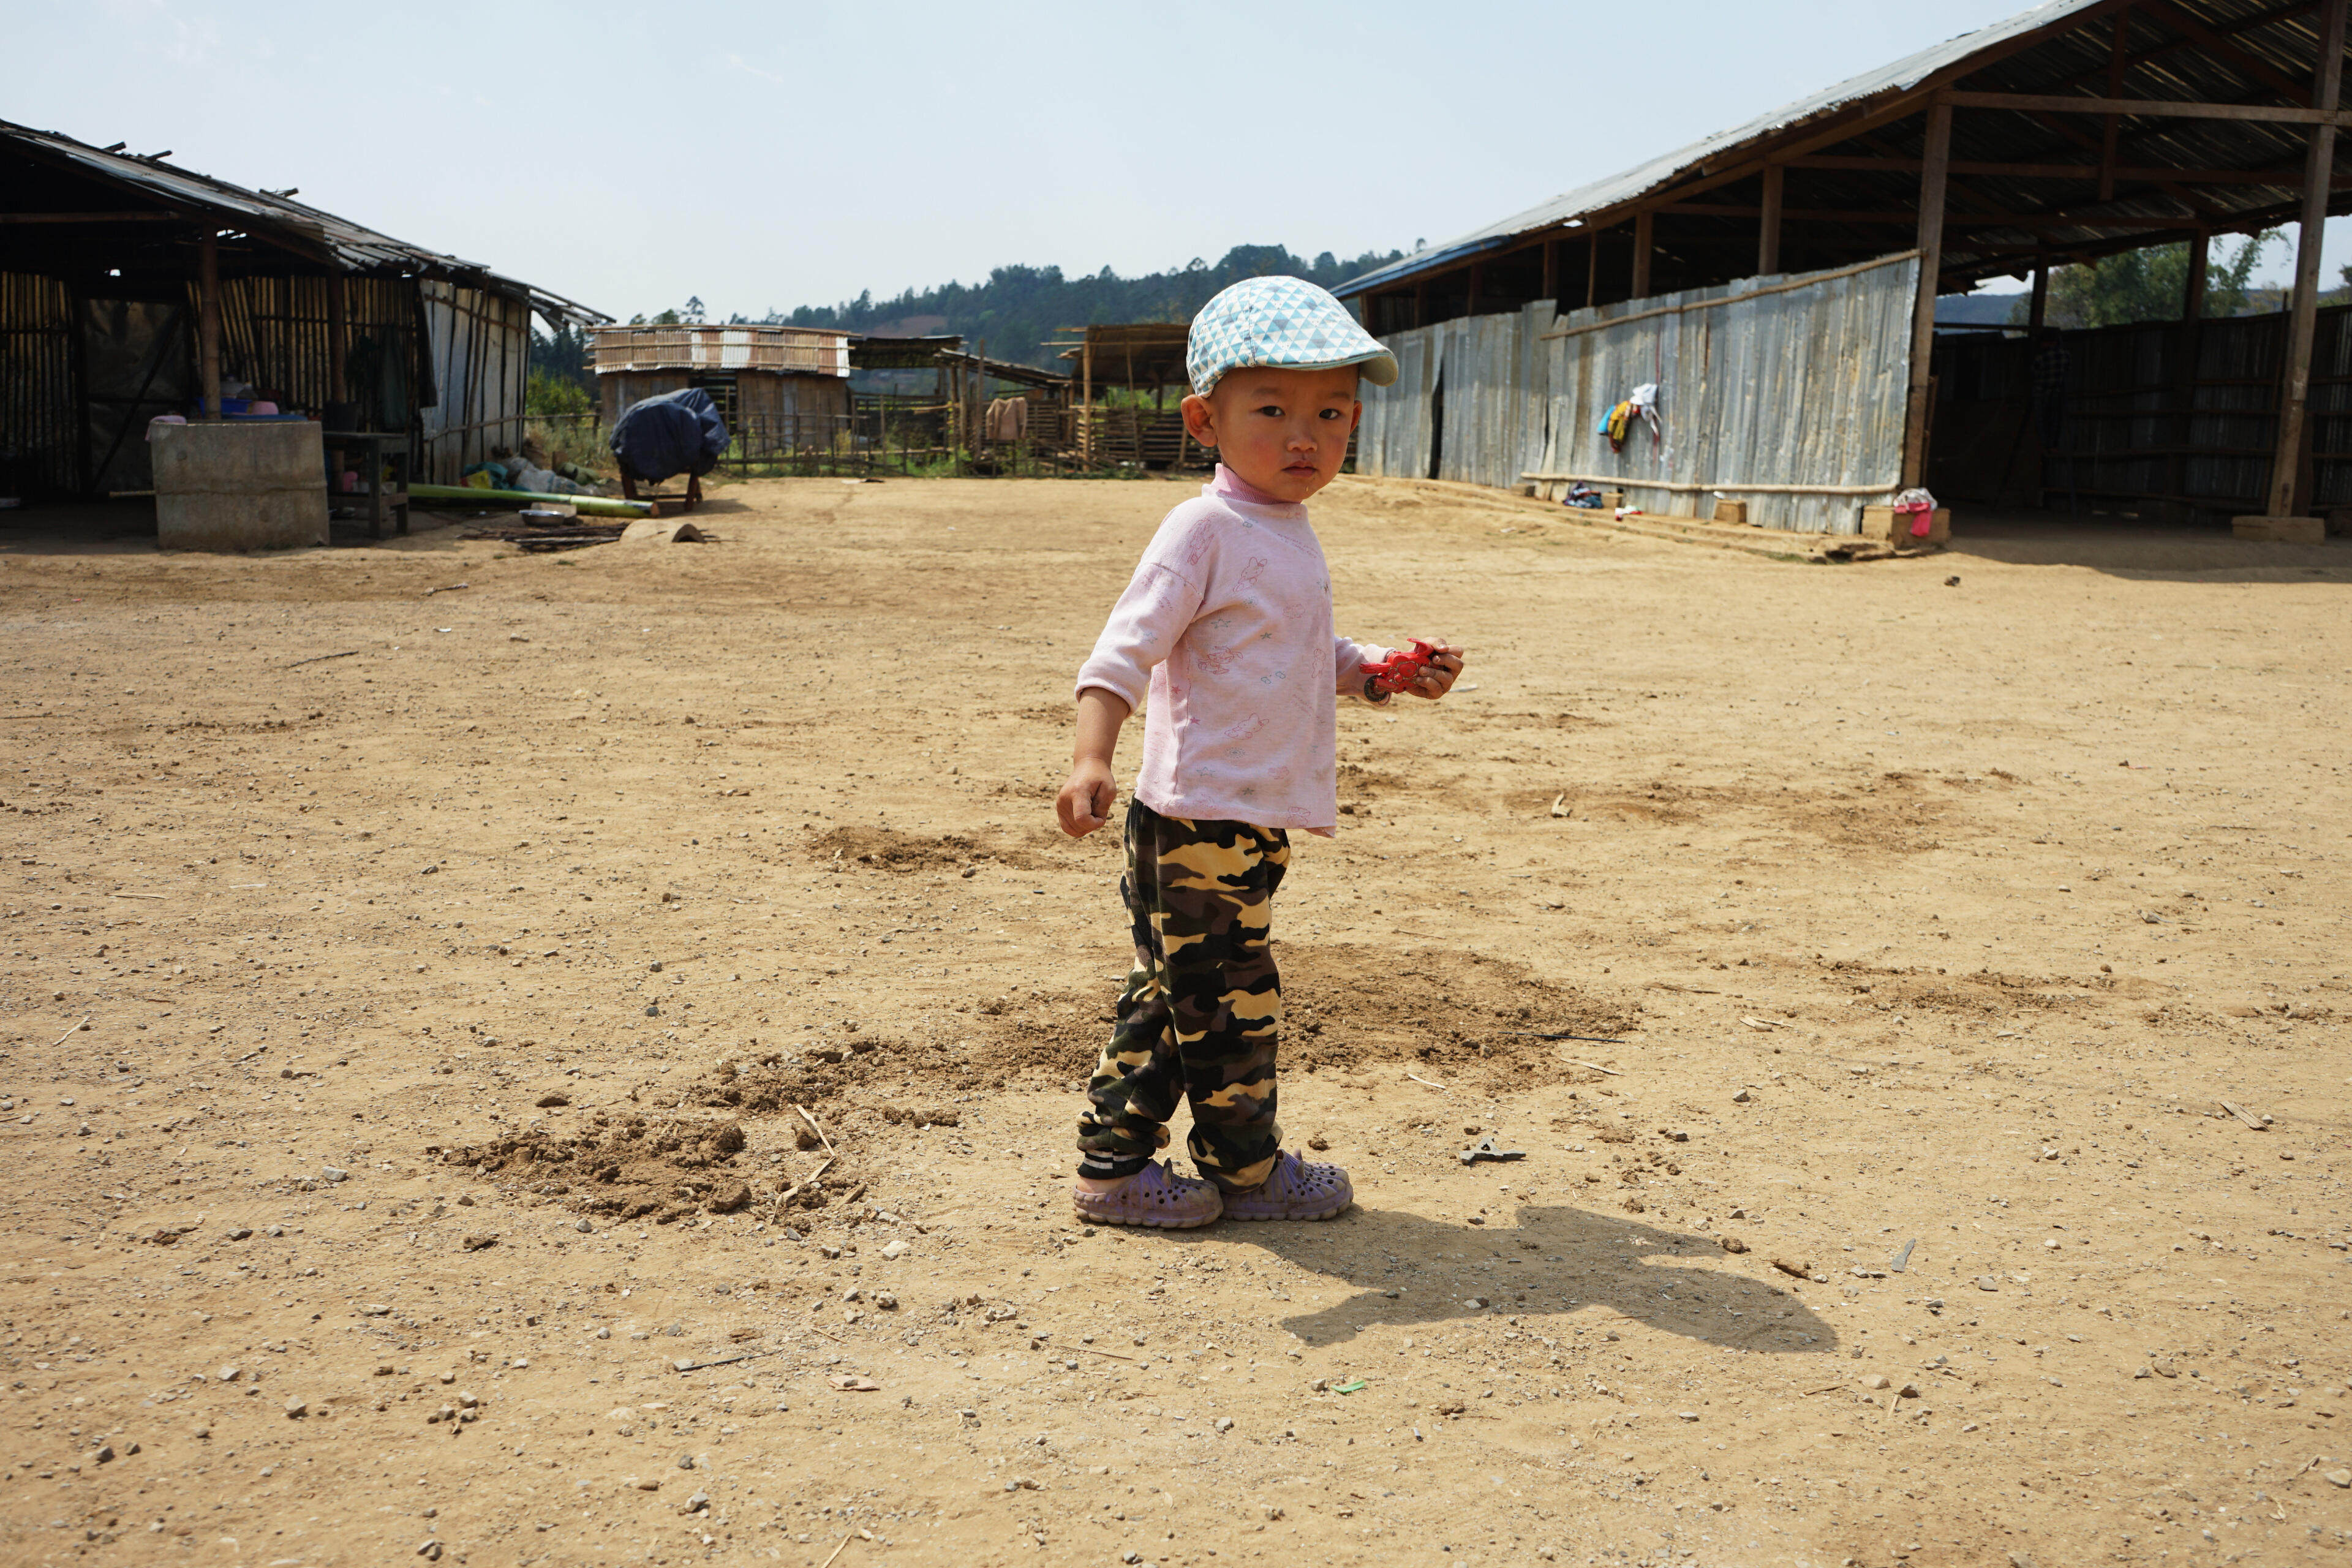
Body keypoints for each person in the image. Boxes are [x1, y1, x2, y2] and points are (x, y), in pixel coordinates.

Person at [1054, 277, 1465, 1229]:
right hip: (1198, 817)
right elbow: (1122, 653)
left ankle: (1127, 1170)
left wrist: (1382, 673)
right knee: (1230, 1002)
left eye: (1330, 413)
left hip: (1245, 821)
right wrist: (1091, 758)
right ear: (1205, 419)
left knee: (1181, 993)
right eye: (1272, 409)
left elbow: (1297, 656)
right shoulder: (1204, 528)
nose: (1304, 437)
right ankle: (1236, 1172)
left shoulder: (1283, 528)